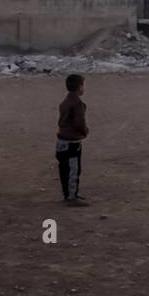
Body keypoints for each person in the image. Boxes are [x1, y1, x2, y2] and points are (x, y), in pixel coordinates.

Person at [57, 74, 90, 206]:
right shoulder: (78, 104)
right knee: (73, 169)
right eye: (83, 85)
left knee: (65, 169)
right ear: (79, 87)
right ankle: (71, 198)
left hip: (61, 141)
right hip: (71, 142)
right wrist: (85, 131)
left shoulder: (65, 102)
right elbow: (79, 122)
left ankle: (69, 194)